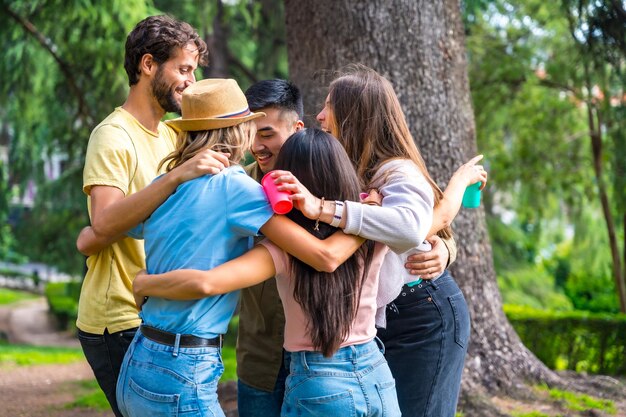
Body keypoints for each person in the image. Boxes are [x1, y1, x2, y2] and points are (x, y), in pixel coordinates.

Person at [91, 79, 364, 417]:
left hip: (140, 357)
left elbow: (112, 227)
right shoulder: (237, 187)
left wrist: (141, 281)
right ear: (238, 131)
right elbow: (321, 256)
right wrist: (371, 218)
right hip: (185, 365)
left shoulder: (166, 183)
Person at [132, 128, 402, 417]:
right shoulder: (374, 225)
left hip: (320, 384)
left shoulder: (282, 251)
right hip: (376, 373)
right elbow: (427, 224)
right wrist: (371, 210)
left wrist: (144, 283)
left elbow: (206, 283)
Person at [273, 64, 487, 416]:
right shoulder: (349, 167)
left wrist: (323, 208)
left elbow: (410, 228)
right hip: (376, 323)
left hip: (423, 316)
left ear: (355, 116)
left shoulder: (396, 170)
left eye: (330, 106)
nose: (320, 115)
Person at [74, 15, 227, 417]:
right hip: (119, 317)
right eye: (183, 69)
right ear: (147, 65)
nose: (190, 81)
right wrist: (177, 176)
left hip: (159, 310)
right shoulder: (113, 135)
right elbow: (104, 223)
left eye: (192, 71)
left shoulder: (173, 133)